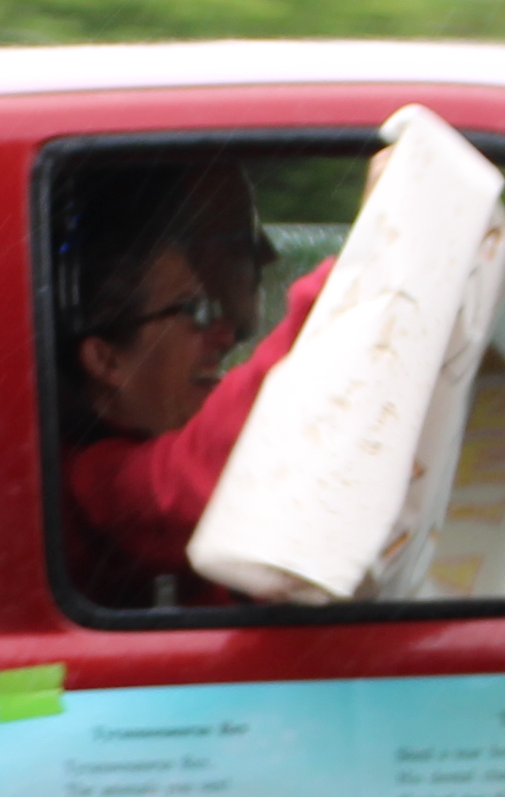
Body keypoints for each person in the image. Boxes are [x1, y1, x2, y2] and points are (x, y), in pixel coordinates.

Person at [56, 158, 332, 606]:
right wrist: (343, 292)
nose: (223, 334)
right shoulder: (91, 483)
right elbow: (196, 477)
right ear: (105, 360)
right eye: (192, 312)